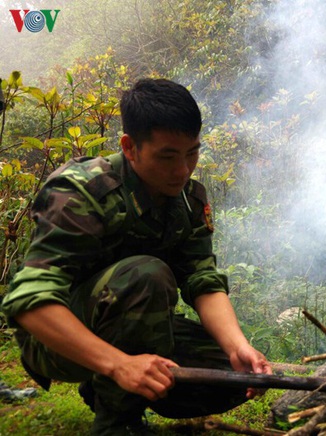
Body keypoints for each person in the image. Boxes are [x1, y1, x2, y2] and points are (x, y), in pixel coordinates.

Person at [1, 78, 272, 435]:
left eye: (192, 152)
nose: (183, 170)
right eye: (167, 156)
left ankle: (103, 392)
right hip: (55, 339)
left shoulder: (189, 199)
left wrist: (238, 346)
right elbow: (28, 302)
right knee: (146, 274)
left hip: (131, 327)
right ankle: (117, 423)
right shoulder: (82, 190)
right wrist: (118, 365)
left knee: (231, 374)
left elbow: (202, 279)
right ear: (130, 147)